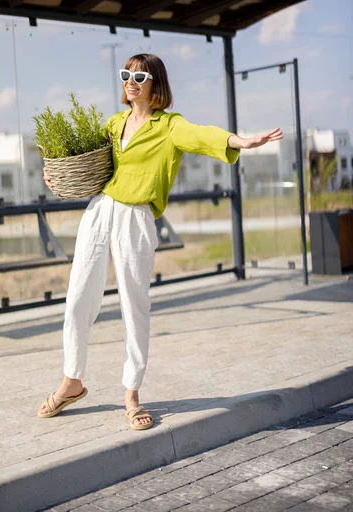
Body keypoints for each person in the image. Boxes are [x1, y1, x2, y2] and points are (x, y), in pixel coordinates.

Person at [38, 53, 283, 429]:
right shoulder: (114, 123)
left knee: (133, 306)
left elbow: (202, 136)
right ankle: (72, 381)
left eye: (139, 75)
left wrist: (241, 141)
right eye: (126, 74)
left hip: (135, 218)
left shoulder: (169, 125)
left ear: (156, 84)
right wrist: (54, 175)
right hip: (100, 211)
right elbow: (85, 162)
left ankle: (132, 394)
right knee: (77, 300)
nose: (130, 80)